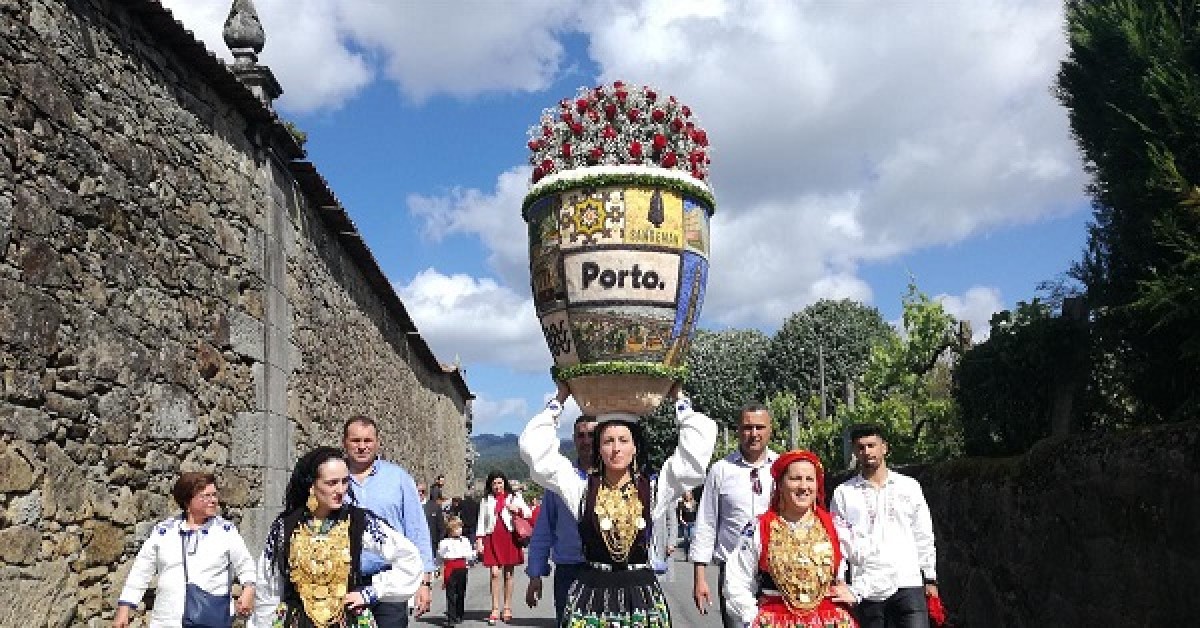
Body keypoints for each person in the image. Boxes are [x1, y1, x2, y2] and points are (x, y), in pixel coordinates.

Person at [519, 382, 717, 627]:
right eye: (608, 441)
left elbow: (694, 456)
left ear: (635, 447)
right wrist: (559, 399)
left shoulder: (654, 490)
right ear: (599, 448)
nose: (615, 449)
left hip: (640, 598)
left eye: (623, 440)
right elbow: (536, 452)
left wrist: (679, 399)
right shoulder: (580, 489)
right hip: (591, 597)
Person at [251, 447, 425, 628]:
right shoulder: (285, 527)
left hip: (347, 620)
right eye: (332, 483)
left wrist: (371, 592)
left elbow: (408, 558)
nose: (340, 490)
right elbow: (268, 586)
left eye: (345, 481)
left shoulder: (360, 522)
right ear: (312, 485)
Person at [725, 450, 858, 627]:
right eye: (795, 479)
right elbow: (737, 577)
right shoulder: (760, 528)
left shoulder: (836, 527)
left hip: (830, 621)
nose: (803, 486)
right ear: (780, 484)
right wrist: (752, 616)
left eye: (810, 479)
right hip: (776, 621)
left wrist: (856, 592)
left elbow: (875, 559)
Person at [831, 424, 939, 628]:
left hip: (907, 581)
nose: (867, 452)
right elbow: (839, 541)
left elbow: (922, 533)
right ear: (855, 452)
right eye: (860, 447)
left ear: (884, 448)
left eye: (871, 445)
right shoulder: (844, 493)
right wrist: (840, 580)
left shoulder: (909, 487)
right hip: (866, 586)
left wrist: (930, 578)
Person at [115, 472, 256, 628]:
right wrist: (125, 607)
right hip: (167, 620)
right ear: (188, 501)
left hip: (211, 619)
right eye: (206, 496)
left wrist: (248, 589)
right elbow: (141, 571)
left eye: (214, 495)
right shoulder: (164, 532)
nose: (213, 501)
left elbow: (246, 565)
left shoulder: (226, 531)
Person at [691, 402, 780, 627]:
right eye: (748, 427)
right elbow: (707, 523)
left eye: (760, 427)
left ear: (770, 430)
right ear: (739, 430)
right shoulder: (721, 470)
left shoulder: (782, 468)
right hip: (733, 572)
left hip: (776, 572)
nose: (754, 434)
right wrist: (699, 578)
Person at [342, 416, 436, 626]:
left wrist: (424, 583)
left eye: (368, 441)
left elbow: (416, 529)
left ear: (377, 443)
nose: (362, 447)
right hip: (343, 583)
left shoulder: (398, 479)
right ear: (344, 443)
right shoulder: (334, 479)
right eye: (356, 441)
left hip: (390, 582)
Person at [524, 414, 597, 625]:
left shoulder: (614, 477)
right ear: (574, 439)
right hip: (569, 571)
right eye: (580, 435)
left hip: (604, 572)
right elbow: (543, 530)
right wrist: (535, 574)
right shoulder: (559, 480)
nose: (586, 441)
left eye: (591, 435)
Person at [474, 470, 532, 624]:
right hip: (492, 537)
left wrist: (516, 509)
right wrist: (479, 540)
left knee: (508, 574)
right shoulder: (486, 500)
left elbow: (528, 513)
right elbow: (481, 521)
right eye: (494, 483)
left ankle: (507, 607)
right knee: (494, 573)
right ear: (490, 485)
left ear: (504, 483)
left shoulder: (514, 497)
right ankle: (494, 608)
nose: (497, 486)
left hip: (510, 537)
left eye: (499, 483)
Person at [437, 517, 475, 626]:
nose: (459, 530)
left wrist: (473, 554)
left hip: (462, 568)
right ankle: (451, 618)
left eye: (460, 527)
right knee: (450, 594)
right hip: (450, 569)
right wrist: (438, 568)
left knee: (461, 592)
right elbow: (440, 556)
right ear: (450, 530)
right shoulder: (444, 542)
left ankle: (460, 613)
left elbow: (469, 554)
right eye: (457, 528)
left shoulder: (465, 540)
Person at [420, 481, 447, 559]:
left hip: (431, 544)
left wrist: (440, 543)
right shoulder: (409, 507)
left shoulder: (434, 507)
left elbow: (441, 527)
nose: (420, 493)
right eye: (418, 491)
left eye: (423, 491)